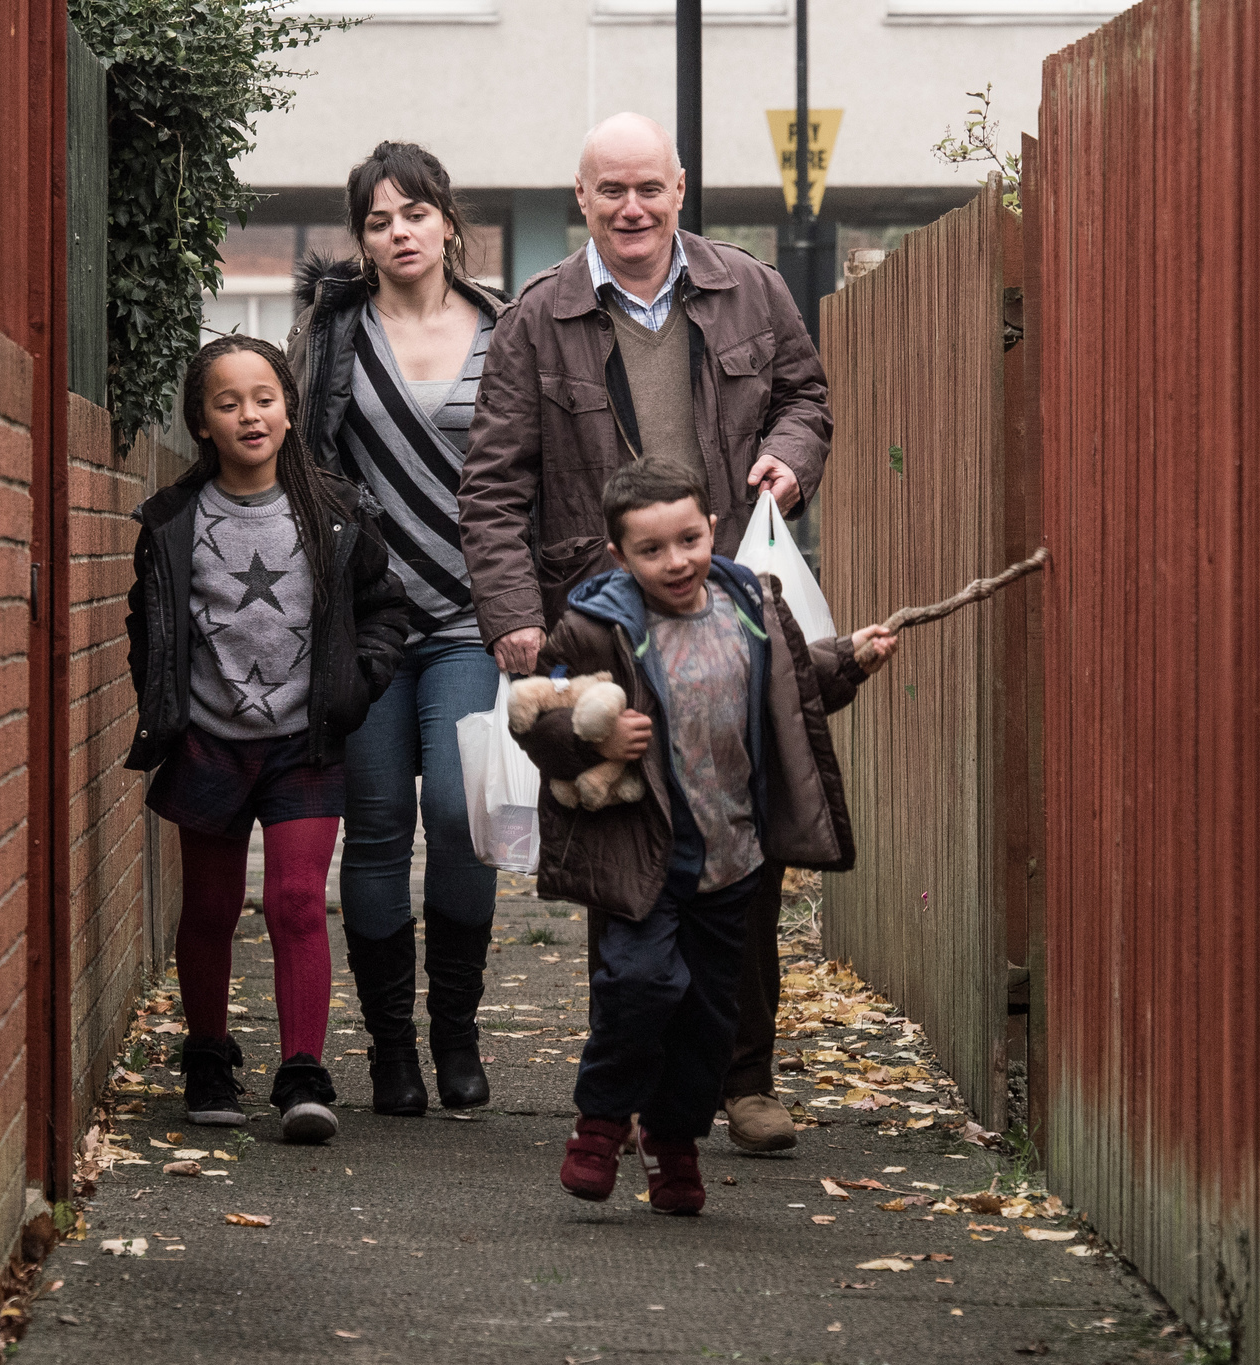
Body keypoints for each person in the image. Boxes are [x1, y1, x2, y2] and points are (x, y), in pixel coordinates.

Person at [458, 111, 832, 1154]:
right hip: (602, 626)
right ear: (580, 199)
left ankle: (743, 1078)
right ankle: (620, 1090)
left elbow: (805, 395)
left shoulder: (749, 287)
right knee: (621, 856)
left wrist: (789, 461)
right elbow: (492, 490)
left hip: (729, 609)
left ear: (678, 189)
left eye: (648, 189)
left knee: (740, 845)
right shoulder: (537, 319)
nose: (631, 209)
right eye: (608, 191)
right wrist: (515, 625)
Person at [514, 457, 896, 1212]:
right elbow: (535, 713)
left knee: (709, 1018)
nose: (676, 560)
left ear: (712, 530)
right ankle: (599, 1119)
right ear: (619, 556)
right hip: (645, 855)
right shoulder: (595, 625)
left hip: (734, 857)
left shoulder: (752, 601)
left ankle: (673, 1138)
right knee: (640, 983)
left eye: (688, 539)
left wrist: (850, 659)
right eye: (652, 550)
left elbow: (795, 684)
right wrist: (592, 739)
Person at [125, 335, 408, 1143]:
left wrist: (355, 689)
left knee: (293, 900)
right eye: (227, 402)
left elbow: (385, 610)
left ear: (288, 409)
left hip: (303, 744)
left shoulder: (337, 509)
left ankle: (303, 1072)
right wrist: (164, 697)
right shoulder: (172, 519)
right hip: (208, 742)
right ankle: (209, 1056)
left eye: (264, 398)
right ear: (202, 423)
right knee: (211, 908)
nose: (249, 414)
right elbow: (145, 624)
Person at [288, 142, 511, 1115]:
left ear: (448, 221)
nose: (398, 231)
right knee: (376, 829)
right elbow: (304, 463)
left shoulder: (505, 331)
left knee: (463, 822)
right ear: (363, 239)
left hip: (473, 617)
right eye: (378, 220)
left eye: (413, 212)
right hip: (370, 623)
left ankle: (456, 1035)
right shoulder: (333, 337)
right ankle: (393, 1055)